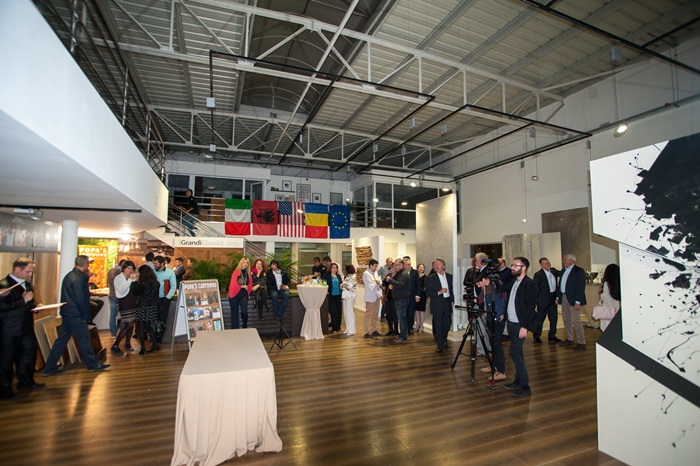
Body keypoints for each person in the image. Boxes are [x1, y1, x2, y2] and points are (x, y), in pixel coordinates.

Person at [44, 255, 110, 376]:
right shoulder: (79, 279)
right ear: (85, 265)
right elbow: (81, 299)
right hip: (76, 314)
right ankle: (92, 364)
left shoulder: (70, 275)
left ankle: (50, 366)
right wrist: (85, 316)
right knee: (84, 339)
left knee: (62, 339)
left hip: (68, 312)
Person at [0, 258, 43, 398]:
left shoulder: (27, 283)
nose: (30, 274)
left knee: (28, 356)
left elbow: (29, 303)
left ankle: (26, 381)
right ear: (17, 269)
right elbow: (3, 307)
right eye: (28, 272)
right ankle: (4, 389)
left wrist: (35, 306)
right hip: (9, 329)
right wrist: (23, 300)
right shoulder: (3, 284)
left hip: (26, 327)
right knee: (6, 360)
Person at [504, 257, 538, 398]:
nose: (512, 268)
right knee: (518, 352)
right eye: (512, 265)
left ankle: (525, 386)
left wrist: (525, 326)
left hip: (520, 324)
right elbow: (509, 298)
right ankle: (518, 380)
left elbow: (530, 307)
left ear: (523, 268)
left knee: (514, 352)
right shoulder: (514, 281)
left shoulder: (529, 284)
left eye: (515, 265)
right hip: (511, 322)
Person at [556, 254, 587, 350]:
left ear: (571, 260)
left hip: (574, 299)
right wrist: (558, 297)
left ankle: (581, 342)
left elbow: (580, 287)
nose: (563, 262)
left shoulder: (579, 271)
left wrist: (578, 301)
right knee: (566, 319)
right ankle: (570, 339)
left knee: (576, 321)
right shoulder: (563, 271)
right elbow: (560, 285)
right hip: (564, 297)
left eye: (565, 260)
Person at [425, 258, 454, 353]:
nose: (436, 266)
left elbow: (451, 290)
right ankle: (440, 344)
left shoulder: (449, 276)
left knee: (447, 323)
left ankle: (444, 341)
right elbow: (428, 292)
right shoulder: (431, 278)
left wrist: (452, 300)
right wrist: (439, 292)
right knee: (438, 325)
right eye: (435, 265)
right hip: (437, 304)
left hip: (447, 303)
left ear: (443, 266)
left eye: (438, 264)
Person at [132, 265, 160, 354]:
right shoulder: (156, 283)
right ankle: (154, 344)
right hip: (152, 307)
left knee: (141, 327)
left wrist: (135, 282)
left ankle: (142, 348)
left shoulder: (143, 283)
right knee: (148, 326)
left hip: (142, 306)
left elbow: (134, 291)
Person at [532, 257, 561, 343]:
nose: (548, 265)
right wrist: (537, 300)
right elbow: (534, 288)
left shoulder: (554, 271)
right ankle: (537, 336)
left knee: (554, 318)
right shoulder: (538, 274)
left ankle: (552, 335)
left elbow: (562, 274)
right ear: (541, 265)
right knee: (540, 319)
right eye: (545, 263)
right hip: (543, 300)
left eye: (548, 263)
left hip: (553, 299)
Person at [111, 261, 137, 354]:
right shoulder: (118, 278)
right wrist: (130, 281)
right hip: (125, 303)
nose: (130, 270)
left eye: (132, 269)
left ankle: (127, 342)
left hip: (132, 303)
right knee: (128, 324)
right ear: (124, 268)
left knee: (131, 325)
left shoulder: (132, 278)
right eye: (128, 268)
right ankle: (116, 344)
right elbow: (121, 291)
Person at [386, 259, 410, 343]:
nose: (395, 267)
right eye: (394, 265)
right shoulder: (400, 274)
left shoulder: (404, 274)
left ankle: (403, 337)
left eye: (396, 265)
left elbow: (400, 285)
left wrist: (390, 280)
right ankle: (402, 335)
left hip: (401, 300)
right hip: (399, 299)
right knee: (401, 318)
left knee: (402, 319)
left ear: (401, 265)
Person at [153, 255, 177, 343]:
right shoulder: (153, 272)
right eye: (154, 263)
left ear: (162, 263)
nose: (154, 265)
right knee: (154, 318)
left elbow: (173, 286)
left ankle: (159, 339)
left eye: (156, 264)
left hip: (164, 299)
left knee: (163, 319)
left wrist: (167, 298)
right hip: (154, 298)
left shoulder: (170, 272)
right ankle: (153, 338)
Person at [228, 257, 253, 328]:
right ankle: (235, 329)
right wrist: (242, 286)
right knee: (234, 313)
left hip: (244, 294)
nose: (245, 264)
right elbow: (233, 284)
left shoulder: (248, 273)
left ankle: (244, 326)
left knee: (244, 312)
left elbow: (250, 285)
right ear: (241, 263)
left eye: (247, 263)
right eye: (244, 262)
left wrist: (249, 293)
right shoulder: (236, 272)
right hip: (234, 294)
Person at [362, 259, 383, 338]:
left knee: (375, 314)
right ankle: (366, 332)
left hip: (377, 297)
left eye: (377, 266)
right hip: (370, 297)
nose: (376, 268)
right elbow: (371, 286)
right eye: (375, 266)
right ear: (370, 265)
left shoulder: (376, 273)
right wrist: (375, 282)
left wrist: (378, 282)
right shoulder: (366, 274)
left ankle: (374, 330)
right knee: (368, 315)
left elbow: (380, 282)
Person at [598, 264, 621, 332]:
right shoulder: (621, 283)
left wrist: (601, 294)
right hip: (617, 308)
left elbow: (606, 297)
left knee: (607, 329)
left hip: (608, 309)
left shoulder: (607, 283)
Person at [323, 263, 344, 334]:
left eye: (336, 268)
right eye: (333, 268)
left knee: (339, 312)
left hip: (338, 296)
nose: (335, 269)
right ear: (330, 268)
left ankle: (338, 327)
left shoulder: (338, 276)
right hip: (331, 296)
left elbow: (341, 284)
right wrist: (326, 290)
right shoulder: (327, 275)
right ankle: (334, 328)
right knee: (333, 312)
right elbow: (323, 283)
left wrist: (342, 286)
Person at [106, 259, 124, 337]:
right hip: (120, 295)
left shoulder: (110, 271)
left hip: (112, 294)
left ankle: (113, 333)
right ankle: (122, 331)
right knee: (123, 314)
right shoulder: (121, 273)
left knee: (113, 315)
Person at [403, 256, 420, 334]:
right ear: (404, 265)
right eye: (408, 265)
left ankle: (410, 328)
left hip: (412, 296)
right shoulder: (401, 273)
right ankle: (404, 328)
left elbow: (418, 284)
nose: (410, 266)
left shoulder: (415, 272)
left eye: (410, 264)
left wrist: (417, 295)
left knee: (411, 313)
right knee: (404, 313)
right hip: (403, 296)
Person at [341, 265, 357, 336]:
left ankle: (352, 330)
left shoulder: (354, 277)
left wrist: (343, 285)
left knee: (350, 313)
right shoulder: (348, 276)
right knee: (346, 313)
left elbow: (349, 287)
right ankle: (348, 328)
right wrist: (343, 285)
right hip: (345, 295)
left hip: (350, 296)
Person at [415, 263, 427, 332]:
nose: (421, 268)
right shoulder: (415, 276)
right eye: (420, 267)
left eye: (422, 267)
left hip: (422, 295)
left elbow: (424, 287)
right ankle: (417, 325)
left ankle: (421, 326)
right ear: (417, 268)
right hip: (415, 295)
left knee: (421, 311)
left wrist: (418, 293)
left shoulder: (425, 277)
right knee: (416, 310)